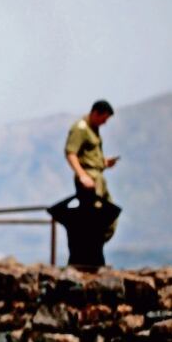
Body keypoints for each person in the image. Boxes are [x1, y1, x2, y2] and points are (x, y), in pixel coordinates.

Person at [64, 100, 120, 246]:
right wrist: (82, 175)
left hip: (98, 176)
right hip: (89, 178)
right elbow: (71, 153)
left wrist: (104, 163)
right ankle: (88, 251)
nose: (105, 122)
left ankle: (94, 247)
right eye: (104, 118)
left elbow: (89, 155)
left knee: (109, 214)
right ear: (96, 113)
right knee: (93, 216)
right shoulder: (80, 128)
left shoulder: (93, 129)